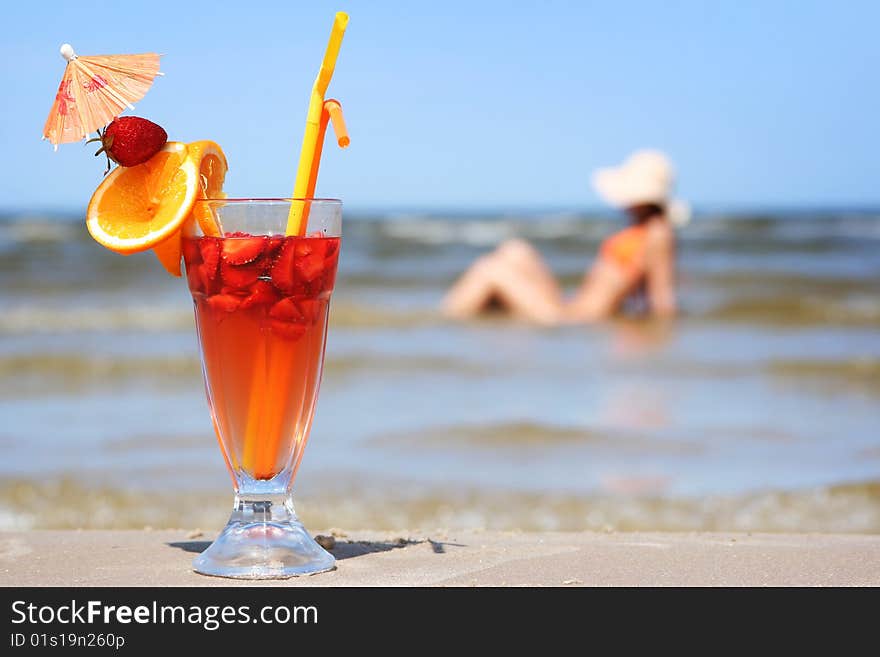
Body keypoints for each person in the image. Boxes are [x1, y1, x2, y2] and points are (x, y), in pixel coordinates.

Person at [442, 150, 689, 324]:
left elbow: (661, 297)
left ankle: (444, 324)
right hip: (572, 307)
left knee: (490, 269)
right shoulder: (643, 230)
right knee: (516, 250)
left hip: (575, 320)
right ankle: (461, 318)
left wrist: (663, 334)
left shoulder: (658, 233)